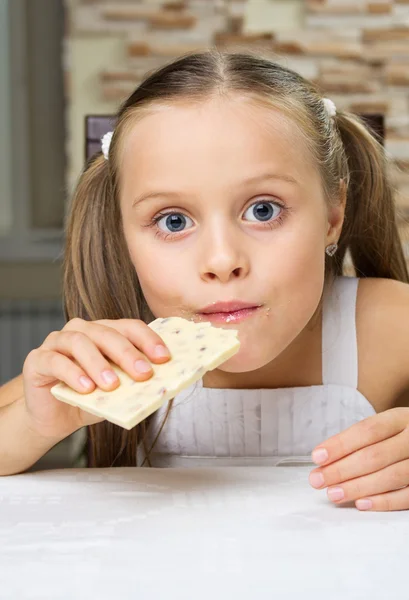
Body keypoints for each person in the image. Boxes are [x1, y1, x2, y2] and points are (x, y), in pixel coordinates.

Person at [1, 50, 409, 512]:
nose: (221, 261)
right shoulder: (121, 354)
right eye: (173, 221)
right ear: (122, 234)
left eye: (263, 210)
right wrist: (33, 426)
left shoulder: (387, 323)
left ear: (333, 215)